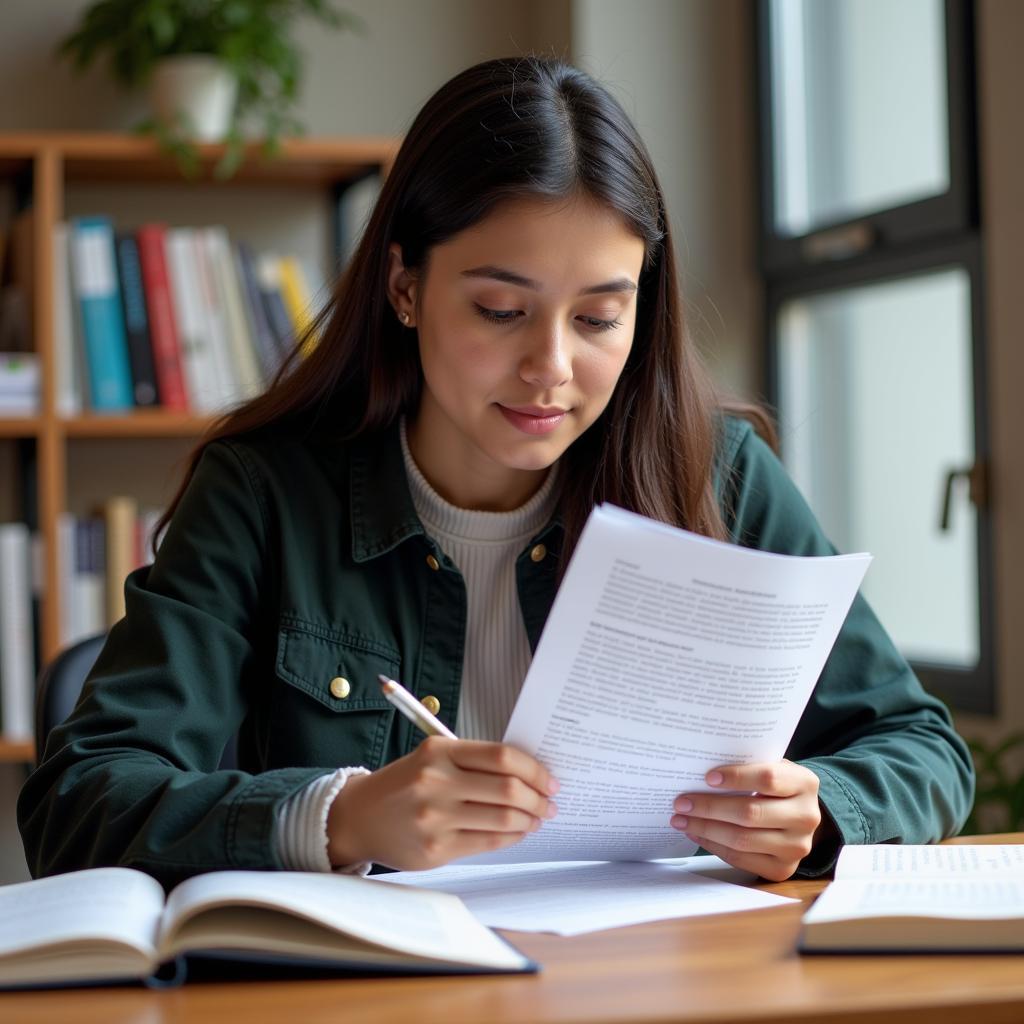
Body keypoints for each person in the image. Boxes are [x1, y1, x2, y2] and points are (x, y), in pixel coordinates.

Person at [19, 55, 974, 890]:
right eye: (499, 310)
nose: (551, 367)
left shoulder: (713, 472)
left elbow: (924, 748)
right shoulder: (265, 494)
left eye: (599, 318)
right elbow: (80, 799)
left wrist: (820, 807)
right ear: (405, 287)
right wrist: (339, 818)